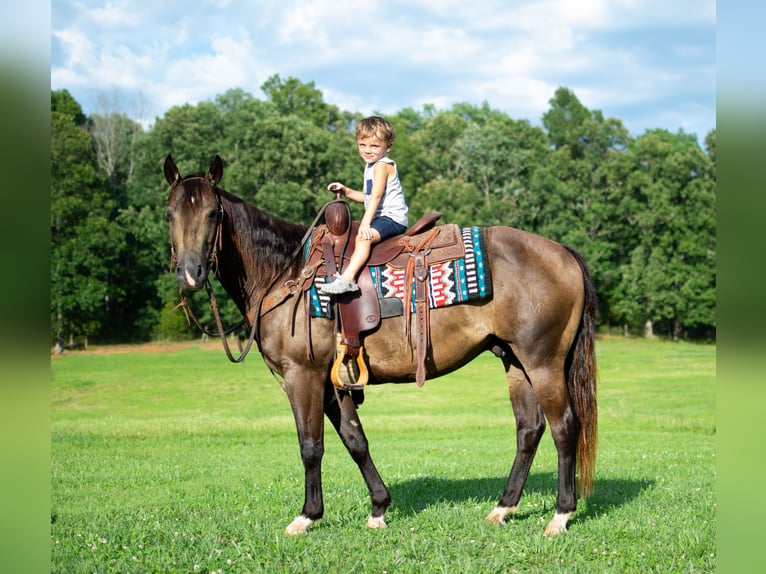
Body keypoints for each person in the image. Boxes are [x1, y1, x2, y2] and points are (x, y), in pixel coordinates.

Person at [320, 116, 408, 295]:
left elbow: (376, 197)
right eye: (363, 145)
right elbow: (366, 197)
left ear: (388, 146)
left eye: (374, 146)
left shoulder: (382, 165)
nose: (368, 150)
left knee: (362, 238)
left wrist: (365, 224)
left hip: (392, 218)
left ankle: (348, 279)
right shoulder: (371, 166)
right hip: (380, 217)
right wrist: (346, 190)